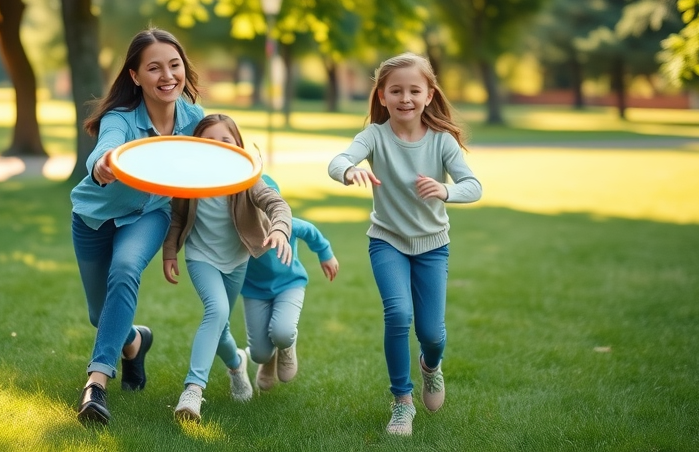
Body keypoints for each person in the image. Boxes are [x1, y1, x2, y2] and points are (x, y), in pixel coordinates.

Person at [327, 52, 481, 436]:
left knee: (431, 333)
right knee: (397, 315)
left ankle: (431, 367)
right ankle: (402, 403)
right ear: (382, 95)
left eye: (414, 90)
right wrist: (348, 170)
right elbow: (338, 159)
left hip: (432, 245)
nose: (405, 98)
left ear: (429, 95)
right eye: (396, 90)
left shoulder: (442, 142)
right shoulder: (375, 136)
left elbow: (473, 186)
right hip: (387, 241)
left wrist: (445, 190)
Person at [70, 28, 205, 425]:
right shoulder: (121, 119)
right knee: (102, 316)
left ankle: (96, 384)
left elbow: (223, 154)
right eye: (154, 68)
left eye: (174, 65)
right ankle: (134, 341)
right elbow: (105, 148)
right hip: (93, 218)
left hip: (150, 215)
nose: (167, 76)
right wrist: (103, 163)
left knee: (126, 269)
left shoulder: (194, 119)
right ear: (135, 76)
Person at [162, 114, 293, 424]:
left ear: (238, 147)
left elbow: (276, 204)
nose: (219, 148)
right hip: (200, 257)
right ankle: (193, 390)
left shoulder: (246, 177)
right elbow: (178, 217)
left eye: (226, 141)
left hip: (236, 261)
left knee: (219, 325)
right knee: (216, 311)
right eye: (209, 143)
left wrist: (279, 229)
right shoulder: (189, 181)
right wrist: (170, 252)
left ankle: (236, 364)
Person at [241, 174, 339, 391]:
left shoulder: (289, 225)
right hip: (254, 291)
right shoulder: (240, 231)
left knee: (282, 332)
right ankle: (268, 360)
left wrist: (326, 254)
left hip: (289, 285)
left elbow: (312, 233)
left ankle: (286, 345)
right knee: (258, 353)